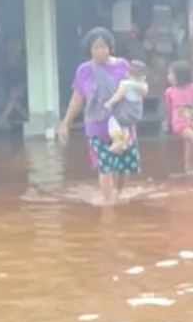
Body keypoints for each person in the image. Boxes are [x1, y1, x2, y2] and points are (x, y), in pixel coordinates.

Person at [57, 28, 141, 202]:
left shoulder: (123, 66)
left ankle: (119, 193)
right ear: (89, 50)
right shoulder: (84, 70)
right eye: (95, 48)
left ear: (110, 47)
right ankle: (108, 204)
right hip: (96, 125)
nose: (99, 51)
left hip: (122, 123)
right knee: (105, 165)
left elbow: (135, 91)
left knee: (123, 165)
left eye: (103, 47)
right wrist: (66, 123)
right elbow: (77, 98)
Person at [105, 59, 149, 156]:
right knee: (125, 126)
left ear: (129, 73)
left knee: (113, 121)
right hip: (136, 114)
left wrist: (109, 104)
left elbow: (118, 96)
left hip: (126, 113)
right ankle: (125, 143)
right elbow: (144, 92)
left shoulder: (125, 84)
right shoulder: (143, 85)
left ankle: (117, 141)